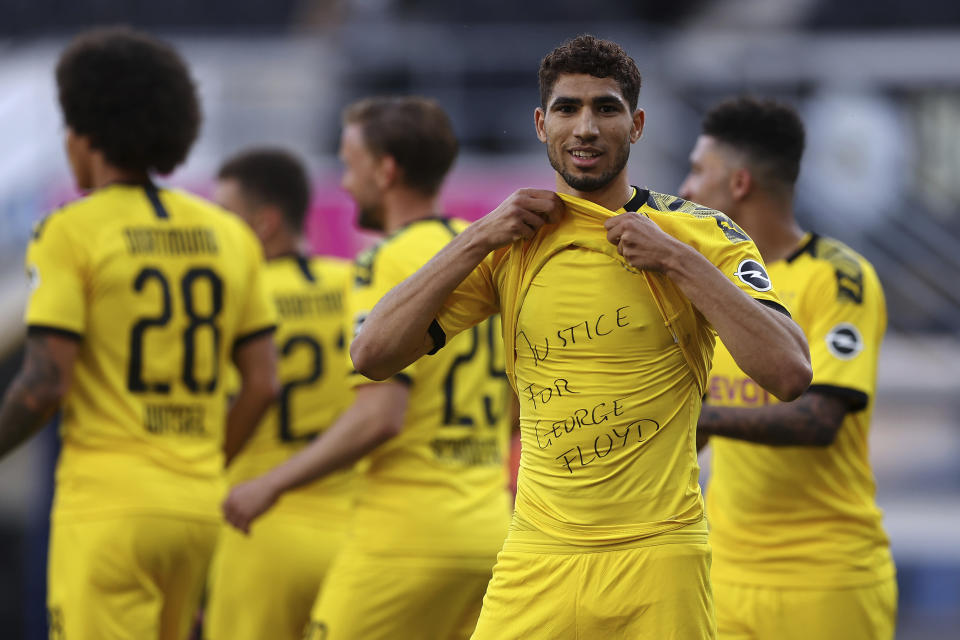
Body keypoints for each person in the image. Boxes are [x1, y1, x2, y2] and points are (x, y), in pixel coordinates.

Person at [350, 35, 812, 640]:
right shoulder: (512, 240)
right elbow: (372, 355)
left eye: (607, 108)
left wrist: (678, 261)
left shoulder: (697, 234)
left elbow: (790, 373)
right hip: (536, 558)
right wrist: (475, 237)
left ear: (637, 124)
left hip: (659, 557)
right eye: (568, 109)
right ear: (542, 125)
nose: (586, 127)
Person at [0, 28, 279, 640]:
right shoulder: (229, 233)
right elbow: (262, 382)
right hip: (197, 507)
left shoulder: (71, 231)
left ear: (85, 133)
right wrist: (205, 465)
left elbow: (45, 381)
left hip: (108, 509)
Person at [221, 97, 514, 640]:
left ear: (386, 170)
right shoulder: (486, 257)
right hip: (489, 530)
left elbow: (380, 417)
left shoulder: (388, 260)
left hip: (405, 536)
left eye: (350, 165)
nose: (346, 184)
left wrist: (271, 484)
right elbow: (518, 405)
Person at [678, 97, 896, 640]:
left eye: (699, 170)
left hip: (825, 578)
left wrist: (702, 420)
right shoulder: (714, 285)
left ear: (740, 184)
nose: (685, 188)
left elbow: (818, 420)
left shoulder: (838, 277)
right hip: (725, 575)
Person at [203, 149, 355, 639]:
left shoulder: (233, 298)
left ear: (265, 223)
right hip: (355, 537)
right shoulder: (358, 286)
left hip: (258, 530)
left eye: (226, 218)